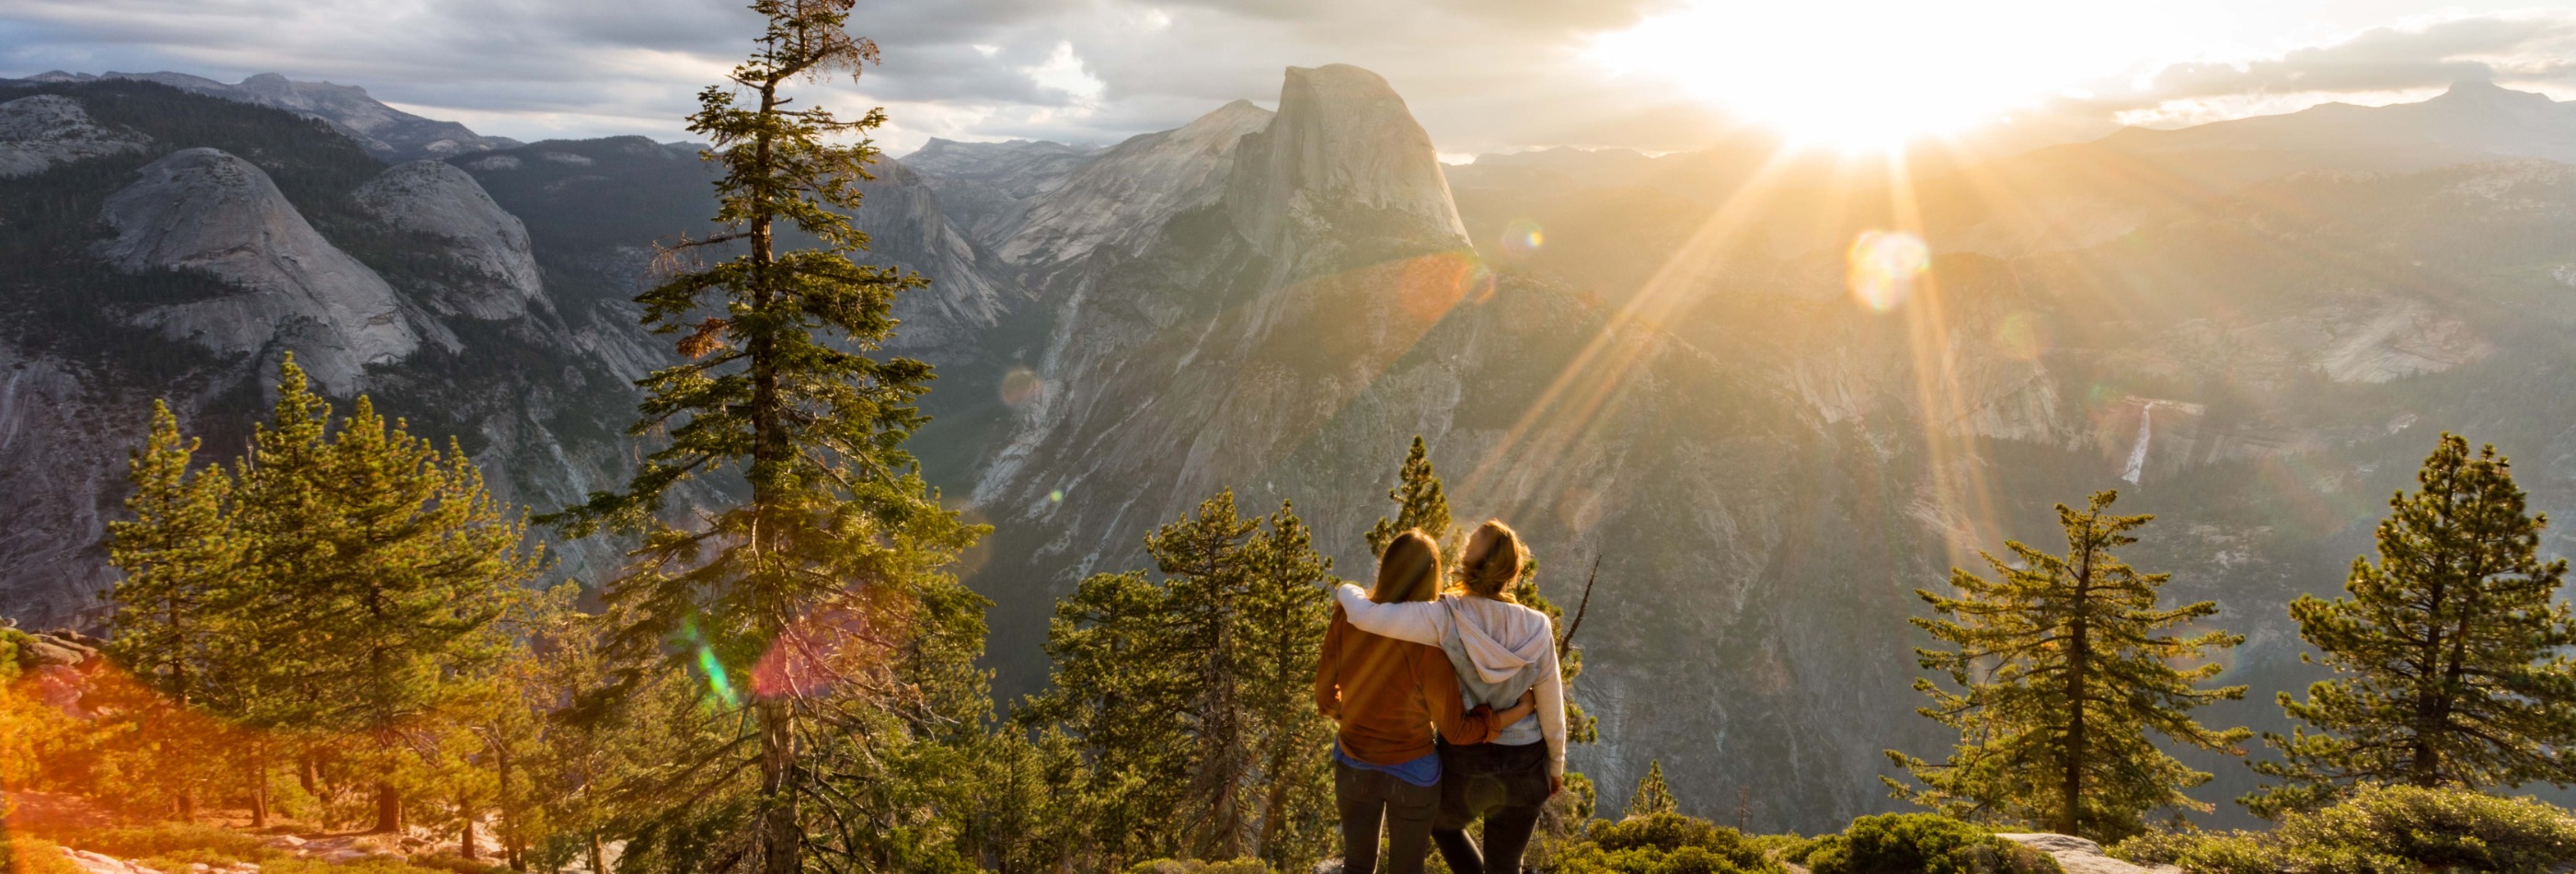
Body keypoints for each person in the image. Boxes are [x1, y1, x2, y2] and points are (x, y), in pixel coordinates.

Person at [1332, 520, 1566, 874]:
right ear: (1515, 571)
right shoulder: (1537, 626)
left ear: (1465, 563)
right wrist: (1556, 767)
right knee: (1506, 866)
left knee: (1441, 823)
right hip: (1526, 758)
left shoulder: (1444, 615)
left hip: (1466, 760)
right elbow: (1551, 703)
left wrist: (1346, 589)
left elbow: (1366, 617)